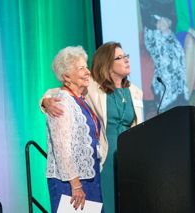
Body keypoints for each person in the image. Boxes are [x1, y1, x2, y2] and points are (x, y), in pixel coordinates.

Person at [41, 42, 143, 213]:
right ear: (107, 63)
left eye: (126, 56)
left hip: (129, 158)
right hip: (106, 159)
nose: (126, 60)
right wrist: (45, 101)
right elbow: (57, 92)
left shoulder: (135, 91)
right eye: (120, 57)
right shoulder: (93, 87)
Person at [45, 46, 103, 213]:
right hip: (71, 183)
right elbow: (62, 148)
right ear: (66, 76)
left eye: (86, 67)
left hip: (90, 178)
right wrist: (76, 185)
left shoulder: (81, 99)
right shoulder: (61, 103)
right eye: (81, 68)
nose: (87, 72)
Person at [140, 0, 189, 112]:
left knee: (179, 53)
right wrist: (157, 24)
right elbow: (145, 15)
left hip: (167, 29)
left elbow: (174, 16)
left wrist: (169, 22)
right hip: (153, 31)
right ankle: (164, 96)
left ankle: (178, 94)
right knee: (165, 57)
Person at [175, 0, 195, 98]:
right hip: (182, 31)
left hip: (194, 32)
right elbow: (178, 19)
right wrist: (192, 32)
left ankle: (188, 94)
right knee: (190, 43)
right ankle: (184, 91)